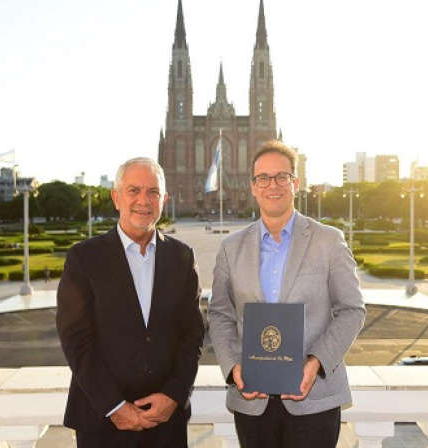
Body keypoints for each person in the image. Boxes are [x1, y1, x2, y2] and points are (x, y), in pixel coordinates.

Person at [207, 140, 366, 448]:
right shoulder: (231, 248)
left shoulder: (328, 241)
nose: (272, 185)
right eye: (263, 178)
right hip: (252, 401)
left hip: (315, 398)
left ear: (296, 182)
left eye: (281, 176)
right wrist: (233, 367)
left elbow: (352, 310)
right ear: (253, 186)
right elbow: (219, 314)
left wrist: (317, 362)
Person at [56, 157, 205, 448]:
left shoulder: (182, 257)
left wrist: (174, 395)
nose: (143, 200)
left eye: (152, 192)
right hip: (104, 422)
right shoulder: (84, 258)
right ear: (116, 197)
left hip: (166, 423)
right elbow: (76, 340)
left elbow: (192, 334)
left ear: (164, 199)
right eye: (133, 190)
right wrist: (114, 406)